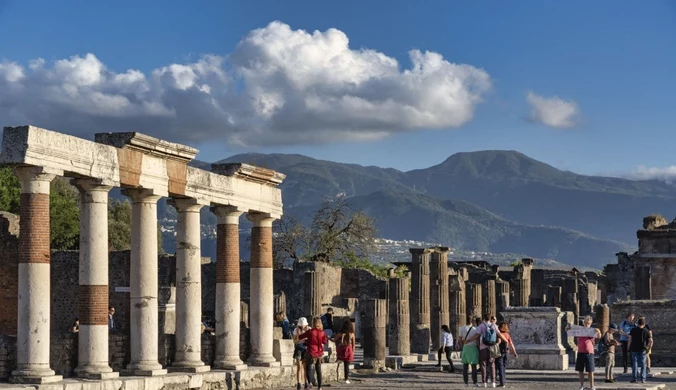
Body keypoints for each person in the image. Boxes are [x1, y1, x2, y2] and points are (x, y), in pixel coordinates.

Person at [465, 313, 510, 388]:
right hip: (492, 347)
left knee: (483, 365)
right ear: (490, 319)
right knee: (492, 365)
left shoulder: (481, 326)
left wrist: (469, 340)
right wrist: (506, 341)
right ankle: (493, 382)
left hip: (483, 347)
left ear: (484, 318)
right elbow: (499, 334)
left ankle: (484, 382)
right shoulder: (494, 325)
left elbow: (477, 335)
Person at [568, 315, 601, 390]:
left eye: (588, 323)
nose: (587, 325)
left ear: (591, 323)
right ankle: (582, 385)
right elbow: (568, 331)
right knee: (580, 370)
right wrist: (567, 327)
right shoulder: (580, 330)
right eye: (586, 323)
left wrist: (599, 331)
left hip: (589, 352)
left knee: (590, 370)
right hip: (580, 352)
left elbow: (599, 336)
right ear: (584, 323)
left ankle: (592, 386)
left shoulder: (593, 330)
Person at [299, 317, 328, 390]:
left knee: (308, 368)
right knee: (318, 370)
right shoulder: (322, 332)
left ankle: (310, 383)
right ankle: (320, 387)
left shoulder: (310, 331)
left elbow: (300, 337)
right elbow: (324, 342)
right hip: (319, 353)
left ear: (313, 323)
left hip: (311, 352)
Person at [628, 316, 652, 384]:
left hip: (634, 348)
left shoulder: (633, 330)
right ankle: (643, 379)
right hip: (643, 349)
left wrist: (628, 347)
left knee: (634, 364)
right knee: (643, 364)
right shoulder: (646, 331)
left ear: (637, 323)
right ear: (644, 324)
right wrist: (649, 348)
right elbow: (651, 340)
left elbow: (630, 339)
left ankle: (634, 378)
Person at [495, 322, 517, 387]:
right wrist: (514, 352)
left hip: (500, 352)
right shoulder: (507, 334)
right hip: (506, 352)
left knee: (500, 367)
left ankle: (502, 382)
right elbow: (511, 344)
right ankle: (503, 380)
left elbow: (498, 342)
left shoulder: (499, 334)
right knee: (504, 367)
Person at [460, 317, 480, 387]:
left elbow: (460, 339)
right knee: (474, 366)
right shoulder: (475, 329)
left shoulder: (462, 328)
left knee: (465, 366)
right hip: (473, 348)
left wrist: (463, 342)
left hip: (465, 348)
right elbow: (477, 340)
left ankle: (466, 383)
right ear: (472, 321)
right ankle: (475, 382)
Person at [293, 317, 310, 390]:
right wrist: (300, 338)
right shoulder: (296, 330)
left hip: (306, 348)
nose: (303, 326)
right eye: (301, 325)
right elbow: (294, 341)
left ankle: (306, 382)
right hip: (299, 348)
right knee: (299, 367)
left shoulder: (309, 329)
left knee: (305, 367)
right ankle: (299, 383)